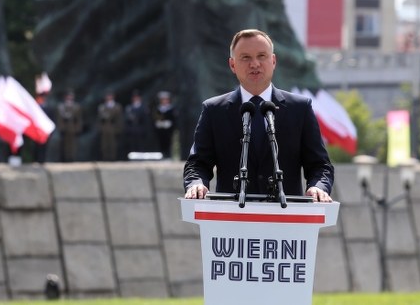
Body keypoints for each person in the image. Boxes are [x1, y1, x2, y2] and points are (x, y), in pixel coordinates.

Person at [183, 29, 334, 202]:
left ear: (273, 61)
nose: (254, 64)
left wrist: (317, 186)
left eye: (262, 56)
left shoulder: (299, 108)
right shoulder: (214, 110)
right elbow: (198, 164)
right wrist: (196, 183)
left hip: (286, 219)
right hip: (230, 220)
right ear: (232, 65)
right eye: (245, 58)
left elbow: (319, 165)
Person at [56, 91, 83, 162]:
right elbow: (59, 119)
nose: (69, 98)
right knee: (64, 145)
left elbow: (79, 119)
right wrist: (61, 128)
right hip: (64, 129)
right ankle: (65, 158)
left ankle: (72, 158)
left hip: (73, 129)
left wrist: (78, 129)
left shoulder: (76, 107)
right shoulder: (61, 107)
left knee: (73, 145)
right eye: (68, 96)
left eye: (71, 96)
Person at [97, 91, 124, 161]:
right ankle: (105, 158)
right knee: (104, 145)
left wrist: (118, 129)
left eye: (110, 96)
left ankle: (112, 158)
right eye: (107, 96)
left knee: (113, 145)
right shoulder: (102, 107)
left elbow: (119, 119)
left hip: (113, 128)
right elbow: (99, 120)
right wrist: (100, 129)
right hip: (104, 128)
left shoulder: (117, 107)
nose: (108, 97)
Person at [124, 90, 151, 157]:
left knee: (141, 145)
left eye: (137, 97)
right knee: (132, 146)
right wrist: (128, 129)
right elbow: (127, 120)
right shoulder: (129, 108)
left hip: (141, 130)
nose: (135, 99)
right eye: (134, 97)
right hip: (132, 130)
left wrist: (144, 130)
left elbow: (146, 121)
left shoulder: (143, 108)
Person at [153, 91, 177, 159]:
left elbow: (174, 120)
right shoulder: (158, 109)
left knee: (169, 143)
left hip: (169, 130)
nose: (164, 101)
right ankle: (162, 155)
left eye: (166, 99)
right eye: (163, 99)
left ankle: (169, 156)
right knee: (160, 143)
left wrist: (170, 124)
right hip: (160, 130)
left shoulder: (171, 109)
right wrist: (158, 123)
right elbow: (155, 118)